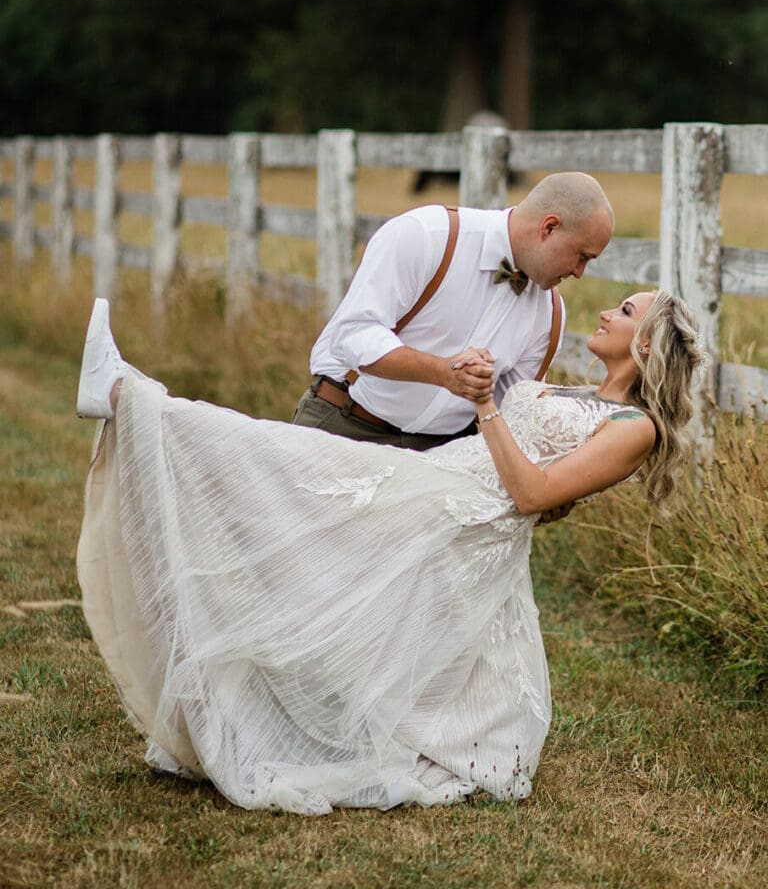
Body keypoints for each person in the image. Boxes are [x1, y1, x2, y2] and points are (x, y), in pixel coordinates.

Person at [76, 288, 702, 816]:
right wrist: (479, 380)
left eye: (625, 311)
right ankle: (133, 401)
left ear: (646, 344)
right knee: (293, 475)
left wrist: (486, 405)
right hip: (438, 482)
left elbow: (532, 493)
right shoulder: (575, 393)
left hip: (459, 516)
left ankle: (132, 398)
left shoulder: (635, 430)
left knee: (289, 466)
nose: (606, 313)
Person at [292, 171, 615, 451]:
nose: (579, 273)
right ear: (549, 228)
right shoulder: (427, 235)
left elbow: (514, 415)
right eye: (582, 256)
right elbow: (353, 334)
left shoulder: (550, 314)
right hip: (344, 424)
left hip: (443, 455)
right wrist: (443, 372)